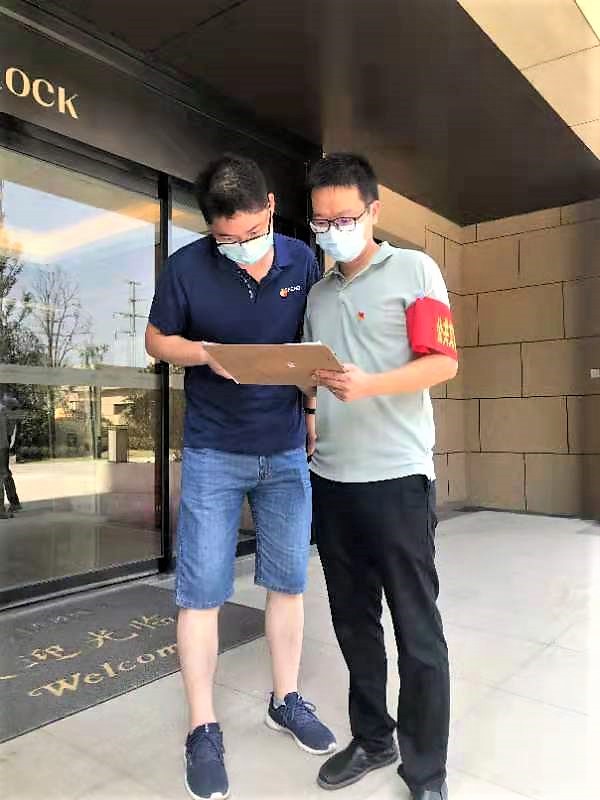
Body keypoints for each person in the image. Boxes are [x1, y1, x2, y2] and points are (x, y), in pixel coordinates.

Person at [145, 154, 335, 800]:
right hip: (213, 451)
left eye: (253, 231)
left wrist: (311, 411)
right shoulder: (186, 268)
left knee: (287, 582)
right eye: (228, 238)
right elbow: (156, 341)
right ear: (211, 230)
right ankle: (202, 727)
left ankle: (286, 699)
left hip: (283, 449)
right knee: (201, 592)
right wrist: (205, 354)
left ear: (272, 207)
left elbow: (311, 345)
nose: (244, 245)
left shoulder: (302, 261)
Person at [303, 154, 458, 800]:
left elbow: (442, 363)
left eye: (344, 218)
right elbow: (315, 375)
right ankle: (372, 737)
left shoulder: (415, 270)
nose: (332, 230)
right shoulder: (318, 295)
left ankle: (426, 771)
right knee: (353, 622)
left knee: (417, 631)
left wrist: (370, 386)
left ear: (373, 210)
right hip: (332, 482)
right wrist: (311, 412)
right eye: (321, 221)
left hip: (397, 479)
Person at [0, 393, 21, 519]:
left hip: (2, 444)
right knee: (5, 473)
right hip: (3, 445)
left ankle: (3, 509)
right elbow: (10, 430)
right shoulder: (4, 410)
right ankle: (14, 502)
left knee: (3, 474)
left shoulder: (5, 409)